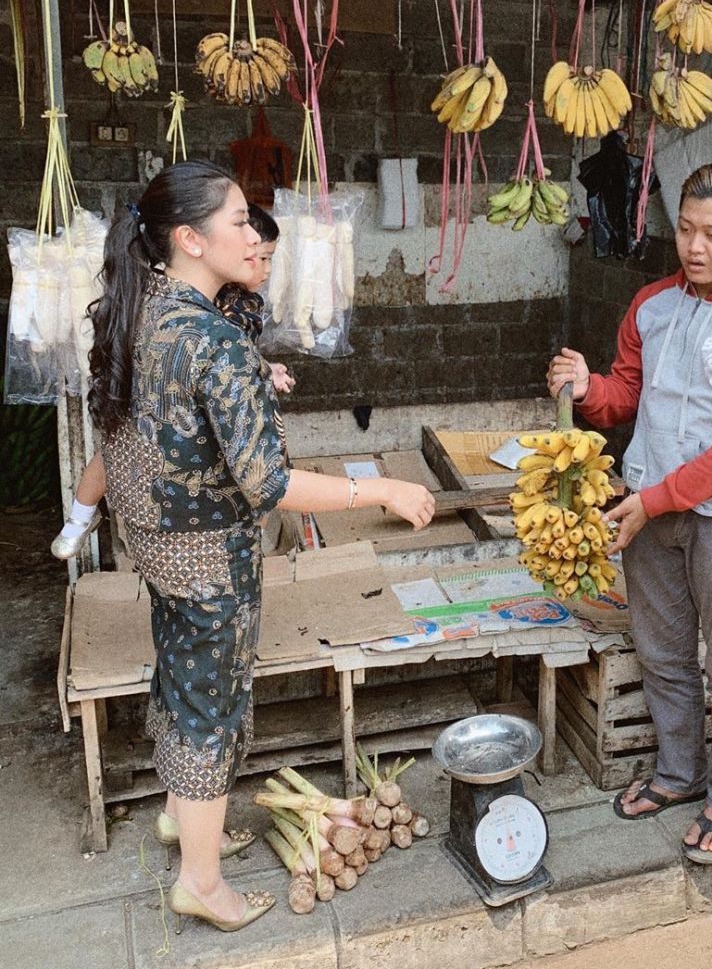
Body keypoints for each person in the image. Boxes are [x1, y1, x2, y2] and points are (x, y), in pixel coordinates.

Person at [86, 160, 435, 932]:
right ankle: (201, 883)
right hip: (211, 557)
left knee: (181, 679)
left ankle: (183, 819)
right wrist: (380, 489)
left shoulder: (139, 312)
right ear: (189, 238)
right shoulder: (215, 342)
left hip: (159, 548)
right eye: (240, 221)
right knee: (210, 708)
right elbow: (267, 483)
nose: (254, 235)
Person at [547, 161, 712, 863]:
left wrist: (652, 500)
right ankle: (679, 772)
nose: (694, 246)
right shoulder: (652, 304)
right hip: (648, 507)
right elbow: (626, 396)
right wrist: (587, 387)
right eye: (685, 229)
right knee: (660, 652)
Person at [51, 203, 294, 560]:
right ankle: (79, 518)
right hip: (156, 412)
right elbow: (219, 359)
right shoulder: (205, 308)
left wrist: (264, 368)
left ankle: (80, 518)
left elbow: (229, 362)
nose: (267, 269)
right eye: (260, 257)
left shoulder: (215, 303)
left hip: (163, 413)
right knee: (113, 455)